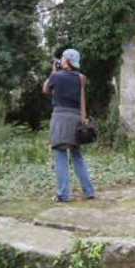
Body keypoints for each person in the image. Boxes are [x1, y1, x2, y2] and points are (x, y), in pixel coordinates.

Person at [43, 49, 95, 202]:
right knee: (77, 156)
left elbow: (45, 89)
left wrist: (53, 71)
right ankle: (89, 191)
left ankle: (63, 194)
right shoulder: (81, 78)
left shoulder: (56, 76)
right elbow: (80, 97)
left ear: (65, 61)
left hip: (59, 118)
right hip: (76, 120)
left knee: (60, 156)